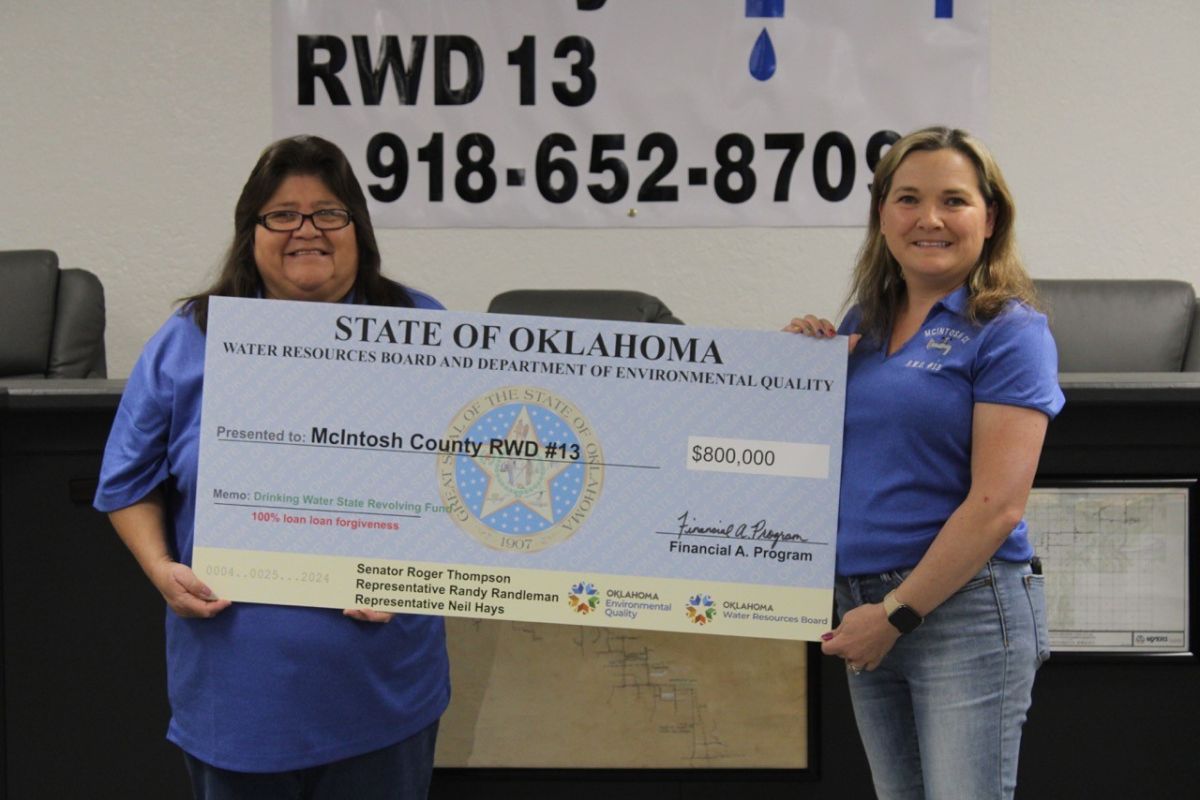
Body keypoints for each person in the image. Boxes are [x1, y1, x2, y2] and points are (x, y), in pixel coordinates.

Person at [94, 135, 449, 799]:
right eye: (282, 214)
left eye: (327, 213)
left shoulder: (422, 326)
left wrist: (423, 574)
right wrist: (158, 569)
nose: (305, 230)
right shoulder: (188, 338)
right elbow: (126, 484)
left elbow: (460, 486)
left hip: (381, 684)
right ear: (250, 231)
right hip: (238, 689)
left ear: (358, 229)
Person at [785, 126, 1062, 799]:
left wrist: (898, 613)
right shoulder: (864, 324)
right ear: (882, 216)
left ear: (989, 219)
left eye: (954, 201)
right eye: (907, 199)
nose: (929, 219)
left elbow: (998, 507)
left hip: (960, 611)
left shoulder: (1009, 330)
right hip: (863, 606)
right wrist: (794, 373)